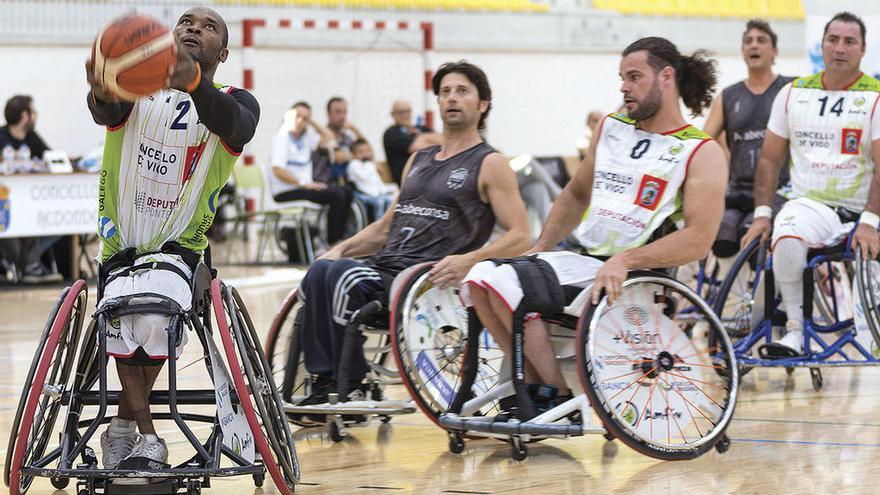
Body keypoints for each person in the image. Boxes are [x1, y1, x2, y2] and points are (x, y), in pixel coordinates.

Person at [461, 37, 727, 414]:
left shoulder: (700, 150)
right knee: (481, 276)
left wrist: (626, 261)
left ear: (666, 78)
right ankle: (534, 385)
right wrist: (541, 248)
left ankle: (555, 394)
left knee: (505, 281)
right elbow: (574, 194)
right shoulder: (611, 127)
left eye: (634, 77)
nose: (624, 86)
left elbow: (699, 240)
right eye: (622, 77)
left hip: (633, 276)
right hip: (584, 262)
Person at [292, 61, 530, 423]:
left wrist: (470, 260)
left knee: (342, 279)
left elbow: (520, 236)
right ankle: (324, 382)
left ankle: (348, 383)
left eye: (462, 91)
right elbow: (387, 225)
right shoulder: (418, 160)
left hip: (426, 278)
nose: (452, 98)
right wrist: (342, 247)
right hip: (387, 266)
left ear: (482, 105)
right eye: (446, 91)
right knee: (320, 271)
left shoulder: (491, 163)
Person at [86, 7, 259, 478]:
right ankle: (134, 431)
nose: (192, 28)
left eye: (207, 27)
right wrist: (102, 87)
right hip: (122, 236)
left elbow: (235, 126)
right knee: (122, 314)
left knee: (152, 311)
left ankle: (138, 433)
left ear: (221, 53)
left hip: (181, 243)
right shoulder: (136, 89)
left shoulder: (236, 98)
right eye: (185, 21)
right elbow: (105, 108)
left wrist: (194, 82)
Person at [741, 12, 880, 358]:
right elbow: (770, 159)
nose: (840, 48)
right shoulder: (793, 93)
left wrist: (870, 222)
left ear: (863, 51)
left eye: (850, 42)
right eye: (833, 40)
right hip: (811, 205)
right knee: (785, 236)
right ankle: (793, 331)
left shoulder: (875, 97)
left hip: (865, 209)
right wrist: (761, 215)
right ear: (822, 46)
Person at [703, 20, 794, 268]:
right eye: (748, 41)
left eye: (761, 40)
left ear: (774, 51)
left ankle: (766, 304)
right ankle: (738, 303)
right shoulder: (729, 96)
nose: (754, 45)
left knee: (755, 243)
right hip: (738, 192)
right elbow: (702, 143)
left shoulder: (790, 89)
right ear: (743, 51)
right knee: (722, 238)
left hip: (780, 192)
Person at [268, 101, 352, 251]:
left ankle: (341, 239)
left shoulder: (306, 138)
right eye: (297, 116)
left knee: (346, 191)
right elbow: (278, 170)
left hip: (304, 188)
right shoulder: (281, 138)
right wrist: (303, 183)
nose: (300, 120)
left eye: (305, 118)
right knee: (336, 195)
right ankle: (332, 243)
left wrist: (311, 122)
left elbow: (330, 137)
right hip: (286, 191)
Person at [0, 95, 62, 283]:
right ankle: (25, 264)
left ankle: (28, 264)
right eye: (33, 112)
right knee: (12, 225)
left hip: (29, 204)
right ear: (25, 116)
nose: (36, 116)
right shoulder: (1, 136)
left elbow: (51, 158)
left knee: (49, 220)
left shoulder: (32, 138)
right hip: (6, 205)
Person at [382, 99, 442, 185]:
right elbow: (419, 148)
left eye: (407, 111)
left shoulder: (421, 128)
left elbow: (445, 141)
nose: (405, 115)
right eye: (401, 112)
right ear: (393, 115)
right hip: (410, 181)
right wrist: (426, 138)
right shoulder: (392, 133)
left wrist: (423, 138)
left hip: (430, 175)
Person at [347, 138, 396, 222]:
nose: (365, 154)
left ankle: (389, 221)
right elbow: (364, 177)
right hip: (363, 193)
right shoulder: (354, 164)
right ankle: (379, 223)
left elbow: (378, 180)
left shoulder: (369, 163)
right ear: (354, 154)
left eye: (367, 151)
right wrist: (372, 166)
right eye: (361, 152)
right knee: (379, 202)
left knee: (391, 199)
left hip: (377, 192)